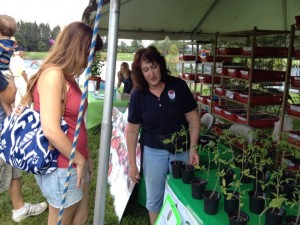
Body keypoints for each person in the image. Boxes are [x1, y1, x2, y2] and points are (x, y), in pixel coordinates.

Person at [27, 22, 103, 225]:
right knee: (62, 221)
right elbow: (50, 128)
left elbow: (74, 122)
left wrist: (85, 156)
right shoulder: (53, 75)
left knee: (81, 216)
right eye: (90, 53)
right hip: (63, 164)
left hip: (76, 159)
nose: (91, 60)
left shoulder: (67, 77)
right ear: (78, 48)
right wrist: (78, 159)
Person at [125, 46, 200, 225]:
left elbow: (194, 119)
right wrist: (132, 164)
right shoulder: (138, 94)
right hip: (153, 151)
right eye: (145, 69)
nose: (151, 73)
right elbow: (132, 130)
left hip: (181, 149)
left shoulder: (178, 86)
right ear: (140, 73)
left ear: (160, 65)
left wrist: (193, 148)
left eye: (154, 66)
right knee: (155, 197)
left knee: (182, 193)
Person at [0, 72, 48, 222]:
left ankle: (20, 209)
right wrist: (11, 81)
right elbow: (8, 95)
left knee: (13, 168)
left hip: (5, 129)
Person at [0, 14, 16, 116]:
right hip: (6, 72)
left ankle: (9, 114)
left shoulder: (2, 45)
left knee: (3, 99)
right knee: (4, 102)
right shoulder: (10, 44)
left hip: (2, 72)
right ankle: (9, 115)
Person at [10, 38, 28, 108]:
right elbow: (23, 72)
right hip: (21, 79)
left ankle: (17, 111)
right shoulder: (20, 60)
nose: (24, 53)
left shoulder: (12, 59)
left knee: (18, 97)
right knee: (25, 96)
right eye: (23, 51)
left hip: (15, 79)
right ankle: (26, 110)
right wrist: (27, 81)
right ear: (20, 52)